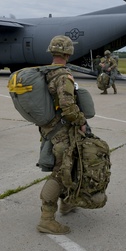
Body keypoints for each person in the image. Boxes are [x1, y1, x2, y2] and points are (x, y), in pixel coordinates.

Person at [37, 35, 89, 234]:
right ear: (68, 53)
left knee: (69, 167)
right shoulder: (62, 76)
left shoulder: (47, 72)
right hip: (61, 132)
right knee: (60, 171)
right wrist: (81, 121)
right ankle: (46, 218)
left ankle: (67, 203)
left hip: (50, 129)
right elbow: (67, 106)